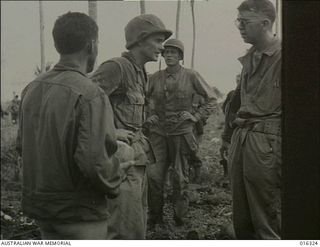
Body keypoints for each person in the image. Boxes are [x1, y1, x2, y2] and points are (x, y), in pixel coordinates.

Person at [16, 12, 132, 240]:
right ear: (91, 45)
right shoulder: (89, 93)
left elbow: (22, 147)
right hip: (78, 215)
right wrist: (117, 172)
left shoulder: (31, 89)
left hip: (42, 211)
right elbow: (93, 162)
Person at [91, 14, 172, 239]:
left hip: (137, 157)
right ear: (139, 40)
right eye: (157, 41)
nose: (162, 47)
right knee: (122, 231)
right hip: (118, 159)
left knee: (136, 227)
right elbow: (81, 102)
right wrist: (111, 131)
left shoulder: (140, 73)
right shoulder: (116, 67)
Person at [145, 38, 217, 226]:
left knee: (179, 176)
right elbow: (142, 99)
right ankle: (155, 217)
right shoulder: (154, 78)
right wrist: (148, 116)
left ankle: (180, 217)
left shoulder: (191, 75)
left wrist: (195, 116)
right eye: (166, 52)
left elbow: (211, 99)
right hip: (159, 133)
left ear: (180, 57)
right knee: (153, 175)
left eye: (173, 53)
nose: (169, 56)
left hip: (181, 132)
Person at [226, 0, 282, 239]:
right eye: (238, 21)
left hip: (268, 143)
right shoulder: (249, 57)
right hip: (243, 139)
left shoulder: (286, 55)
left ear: (266, 23)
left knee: (267, 216)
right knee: (242, 217)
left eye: (245, 22)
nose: (239, 27)